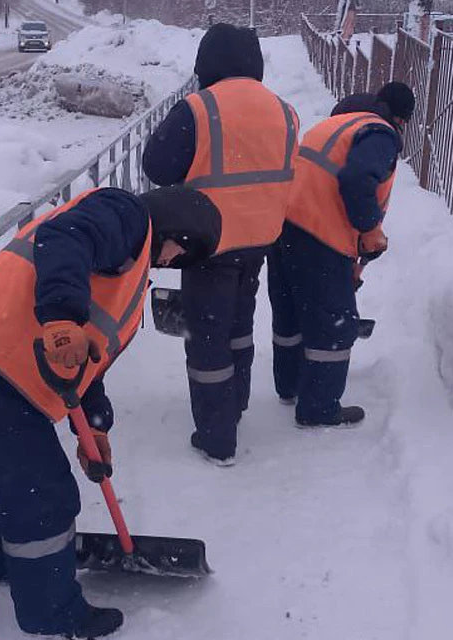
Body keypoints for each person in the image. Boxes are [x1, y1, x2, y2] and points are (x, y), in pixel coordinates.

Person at [0, 186, 220, 639]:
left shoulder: (130, 263)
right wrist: (61, 318)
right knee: (43, 495)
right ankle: (52, 614)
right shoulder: (126, 215)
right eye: (181, 250)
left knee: (5, 477)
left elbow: (88, 356)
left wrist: (95, 426)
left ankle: (11, 566)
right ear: (177, 223)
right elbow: (64, 237)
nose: (172, 262)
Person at [142, 23, 299, 466]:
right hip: (260, 239)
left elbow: (157, 166)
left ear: (206, 65)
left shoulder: (199, 107)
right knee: (239, 325)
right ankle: (237, 403)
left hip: (210, 242)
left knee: (207, 337)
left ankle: (217, 437)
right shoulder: (285, 111)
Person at [268, 82, 415, 427]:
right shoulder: (380, 133)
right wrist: (368, 229)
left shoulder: (335, 124)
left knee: (291, 310)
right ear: (401, 120)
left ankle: (288, 386)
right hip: (320, 235)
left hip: (284, 227)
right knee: (333, 323)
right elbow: (357, 179)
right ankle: (318, 409)